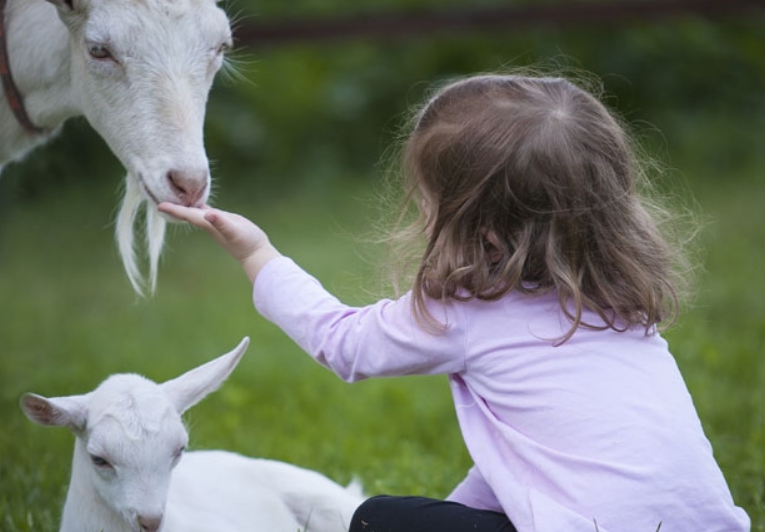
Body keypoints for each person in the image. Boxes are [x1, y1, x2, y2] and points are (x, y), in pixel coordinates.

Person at [158, 74, 750, 532]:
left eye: (431, 205)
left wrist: (257, 253)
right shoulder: (624, 309)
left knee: (377, 519)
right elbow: (531, 458)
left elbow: (341, 342)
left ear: (485, 233)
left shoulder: (469, 312)